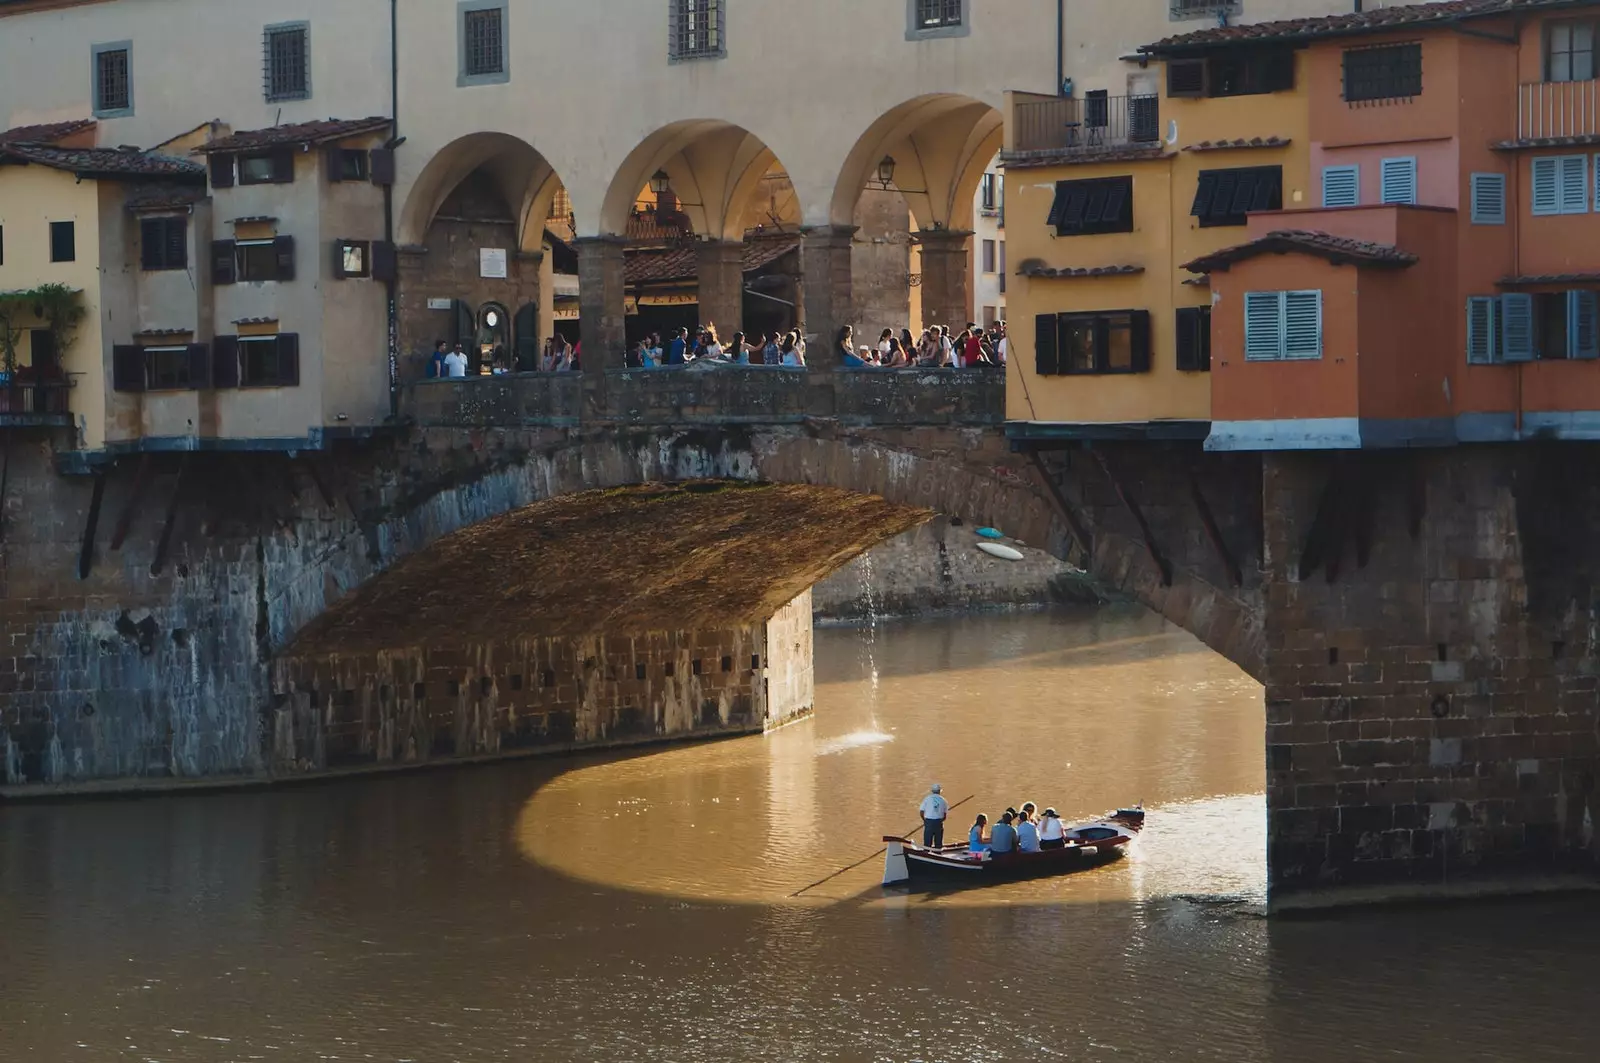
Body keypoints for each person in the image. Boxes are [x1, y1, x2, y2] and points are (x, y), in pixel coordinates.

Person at [919, 783, 949, 848]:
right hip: (939, 822)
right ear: (939, 791)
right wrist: (940, 820)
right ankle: (938, 854)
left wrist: (925, 821)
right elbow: (945, 816)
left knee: (927, 842)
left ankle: (926, 853)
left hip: (929, 822)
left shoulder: (927, 799)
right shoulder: (943, 800)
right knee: (938, 843)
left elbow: (921, 812)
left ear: (932, 791)